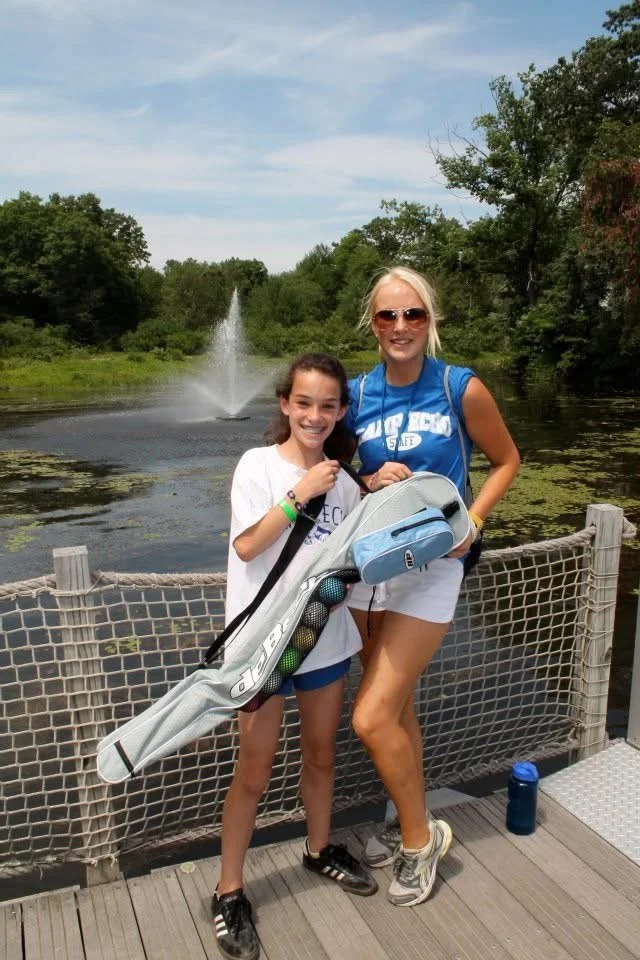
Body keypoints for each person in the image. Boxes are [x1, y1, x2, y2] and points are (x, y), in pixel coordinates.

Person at [344, 266, 520, 907]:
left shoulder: (458, 386)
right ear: (373, 322)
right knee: (397, 710)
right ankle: (405, 818)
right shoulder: (357, 393)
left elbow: (506, 460)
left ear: (430, 320)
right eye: (388, 316)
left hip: (436, 565)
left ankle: (421, 841)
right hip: (374, 566)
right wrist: (366, 482)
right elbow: (336, 469)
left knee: (369, 716)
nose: (400, 327)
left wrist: (474, 519)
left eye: (412, 314)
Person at [213, 353, 377, 960]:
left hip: (325, 644)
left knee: (321, 754)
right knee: (253, 771)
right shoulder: (257, 465)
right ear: (285, 404)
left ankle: (317, 848)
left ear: (339, 413)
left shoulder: (349, 482)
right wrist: (299, 494)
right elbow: (249, 545)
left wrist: (379, 492)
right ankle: (230, 890)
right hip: (261, 650)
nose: (315, 415)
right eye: (304, 403)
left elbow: (354, 566)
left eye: (328, 405)